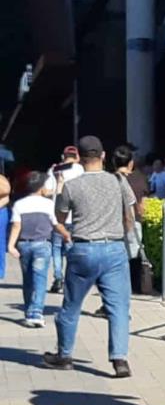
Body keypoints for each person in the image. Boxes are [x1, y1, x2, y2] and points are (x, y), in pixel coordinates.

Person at [42, 136, 137, 378]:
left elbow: (60, 220)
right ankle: (119, 359)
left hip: (84, 248)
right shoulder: (118, 181)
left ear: (80, 160)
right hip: (114, 248)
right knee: (118, 307)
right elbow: (131, 213)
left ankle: (64, 355)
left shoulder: (72, 186)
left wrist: (67, 236)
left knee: (71, 306)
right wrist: (123, 233)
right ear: (103, 156)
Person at [8, 171, 70, 327]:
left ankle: (29, 310)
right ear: (41, 188)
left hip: (24, 245)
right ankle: (36, 312)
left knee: (27, 280)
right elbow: (56, 224)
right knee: (40, 279)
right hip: (42, 244)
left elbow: (16, 226)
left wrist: (11, 245)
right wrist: (66, 235)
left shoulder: (19, 205)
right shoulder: (48, 204)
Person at [45, 145, 84, 294]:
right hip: (75, 215)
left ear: (63, 156)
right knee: (71, 248)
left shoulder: (55, 170)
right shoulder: (81, 170)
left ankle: (58, 278)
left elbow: (47, 191)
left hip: (57, 215)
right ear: (77, 157)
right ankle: (72, 278)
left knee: (56, 248)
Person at [113, 146, 149, 294]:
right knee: (133, 258)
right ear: (131, 163)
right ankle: (134, 288)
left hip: (113, 226)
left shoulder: (109, 179)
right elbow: (142, 207)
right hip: (134, 224)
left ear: (113, 162)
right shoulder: (140, 179)